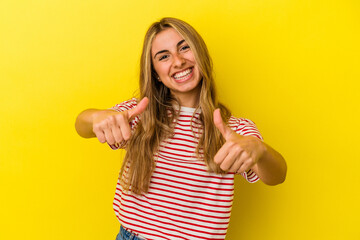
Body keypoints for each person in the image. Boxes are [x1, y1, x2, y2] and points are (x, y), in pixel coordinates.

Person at [75, 17, 287, 240]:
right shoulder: (140, 114)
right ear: (156, 72)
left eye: (184, 47)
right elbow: (82, 124)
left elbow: (277, 175)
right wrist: (98, 117)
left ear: (200, 54)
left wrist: (259, 151)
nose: (178, 61)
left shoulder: (233, 129)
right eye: (164, 56)